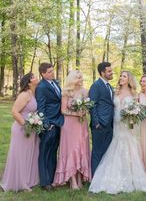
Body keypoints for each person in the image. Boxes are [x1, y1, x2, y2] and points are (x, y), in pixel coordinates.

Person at [89, 71, 146, 194]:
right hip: (115, 124)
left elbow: (137, 110)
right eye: (120, 75)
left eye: (124, 76)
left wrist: (133, 115)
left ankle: (130, 176)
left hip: (127, 124)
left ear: (129, 79)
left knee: (128, 146)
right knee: (115, 145)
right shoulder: (114, 92)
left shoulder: (134, 94)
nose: (121, 78)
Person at [0, 73, 39, 192]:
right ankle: (19, 182)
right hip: (22, 128)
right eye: (33, 77)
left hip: (31, 128)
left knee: (29, 154)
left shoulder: (34, 93)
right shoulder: (24, 95)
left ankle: (27, 180)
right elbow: (14, 112)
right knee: (21, 155)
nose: (36, 78)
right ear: (29, 82)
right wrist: (26, 125)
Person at [53, 70, 91, 189]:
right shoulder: (66, 92)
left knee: (81, 149)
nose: (81, 80)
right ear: (73, 79)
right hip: (69, 125)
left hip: (82, 124)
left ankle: (80, 178)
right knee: (71, 150)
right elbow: (63, 110)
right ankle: (72, 180)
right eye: (78, 78)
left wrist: (84, 111)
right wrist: (76, 114)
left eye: (81, 77)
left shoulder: (85, 91)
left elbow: (87, 107)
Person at [35, 62, 64, 191]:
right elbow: (41, 108)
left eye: (53, 71)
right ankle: (45, 182)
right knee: (45, 153)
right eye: (50, 72)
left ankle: (53, 180)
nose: (52, 73)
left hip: (58, 122)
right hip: (49, 124)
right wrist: (47, 125)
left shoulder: (55, 83)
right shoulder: (41, 87)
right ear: (43, 73)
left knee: (53, 152)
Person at [89, 62, 114, 176]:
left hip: (110, 124)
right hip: (100, 125)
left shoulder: (110, 87)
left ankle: (103, 177)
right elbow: (92, 105)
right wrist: (96, 123)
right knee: (97, 152)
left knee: (106, 152)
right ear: (102, 73)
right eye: (109, 71)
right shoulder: (96, 86)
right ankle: (95, 178)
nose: (111, 72)